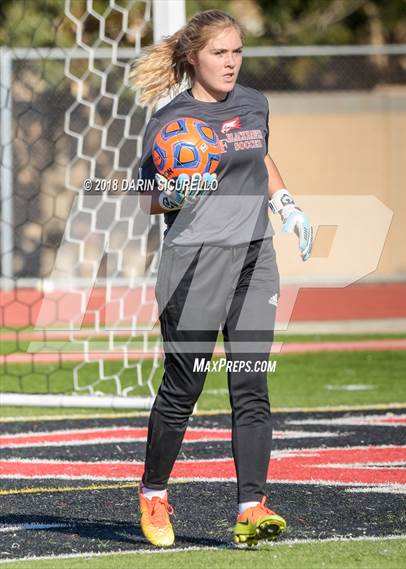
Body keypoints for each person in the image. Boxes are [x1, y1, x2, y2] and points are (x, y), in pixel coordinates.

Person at [132, 9, 313, 548]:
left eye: (237, 51)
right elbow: (147, 199)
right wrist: (177, 194)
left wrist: (285, 204)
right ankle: (154, 492)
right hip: (193, 263)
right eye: (220, 53)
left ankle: (250, 507)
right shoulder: (170, 121)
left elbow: (259, 155)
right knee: (184, 386)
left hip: (255, 259)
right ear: (193, 58)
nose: (231, 62)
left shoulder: (255, 103)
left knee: (251, 381)